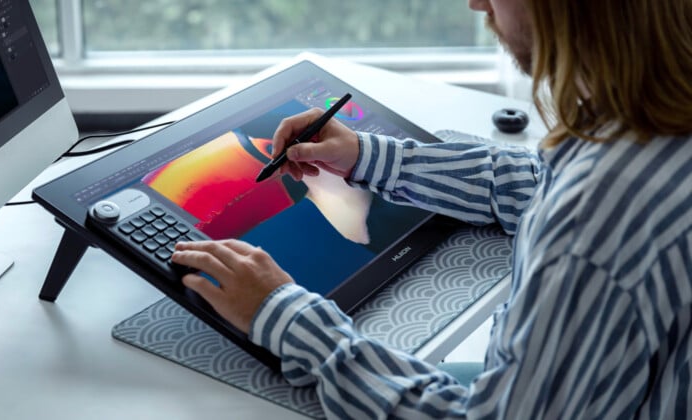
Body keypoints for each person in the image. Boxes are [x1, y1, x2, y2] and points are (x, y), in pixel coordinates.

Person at [172, 0, 692, 417]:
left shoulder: (595, 223)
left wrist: (285, 317)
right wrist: (371, 157)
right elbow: (541, 184)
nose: (477, 4)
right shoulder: (648, 126)